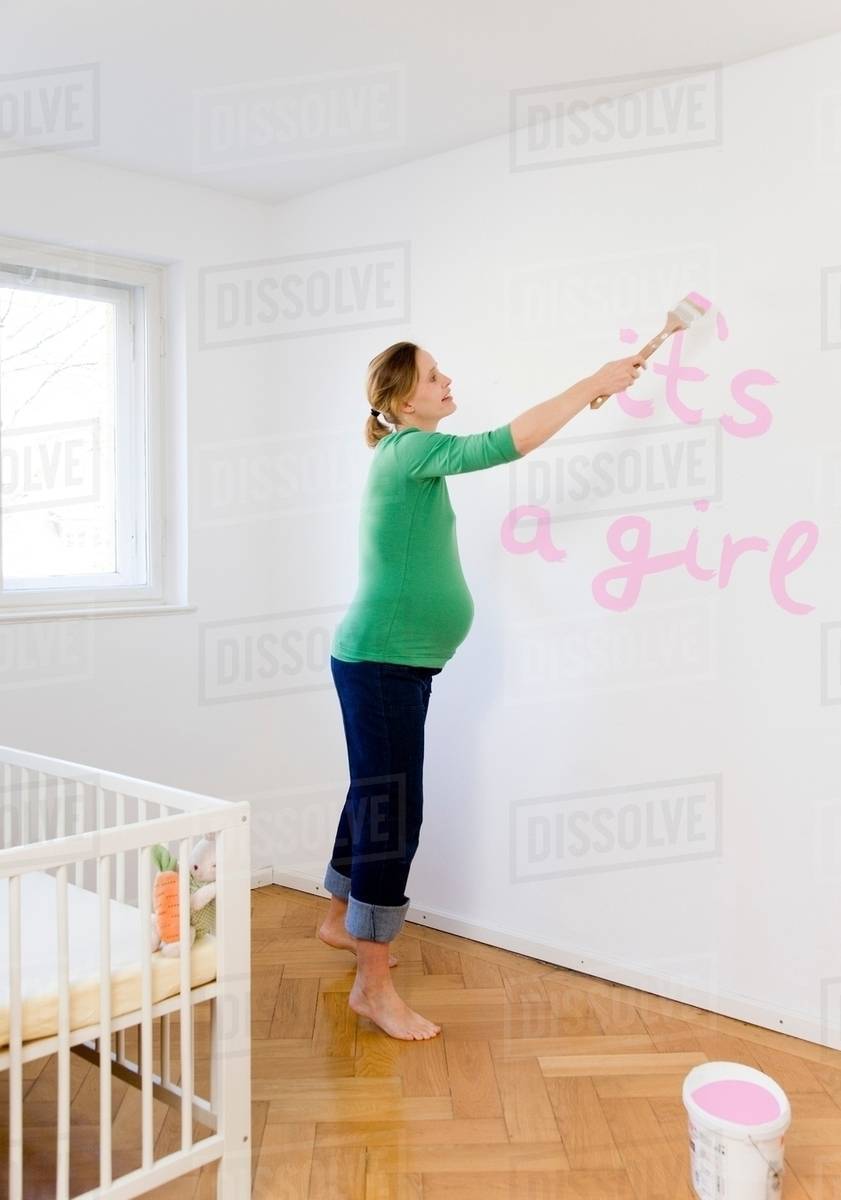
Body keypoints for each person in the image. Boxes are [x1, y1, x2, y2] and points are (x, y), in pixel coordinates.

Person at [318, 341, 645, 1040]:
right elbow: (507, 443)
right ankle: (372, 988)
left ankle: (338, 921)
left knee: (374, 793)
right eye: (434, 377)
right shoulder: (408, 450)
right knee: (391, 809)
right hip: (381, 662)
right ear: (405, 400)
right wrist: (593, 377)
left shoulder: (409, 458)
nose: (447, 381)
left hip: (390, 662)